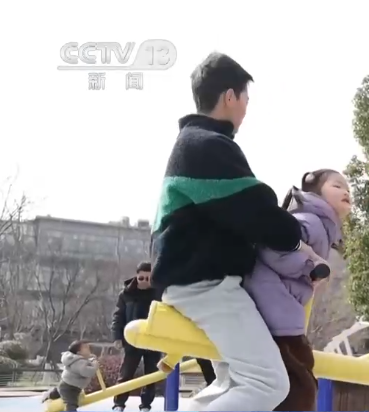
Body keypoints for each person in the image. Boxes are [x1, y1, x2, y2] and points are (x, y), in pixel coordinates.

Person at [150, 52, 318, 411]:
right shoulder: (206, 146)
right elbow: (257, 213)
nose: (245, 109)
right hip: (204, 285)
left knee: (232, 383)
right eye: (245, 99)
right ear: (230, 96)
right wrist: (299, 241)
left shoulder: (195, 144)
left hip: (196, 281)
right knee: (269, 382)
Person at [244, 169, 352, 411]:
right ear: (317, 194)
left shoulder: (323, 226)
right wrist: (309, 267)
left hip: (279, 311)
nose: (346, 191)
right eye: (337, 186)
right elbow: (274, 245)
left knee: (291, 387)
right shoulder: (310, 221)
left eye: (348, 188)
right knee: (299, 388)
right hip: (274, 312)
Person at [110, 262, 161, 412]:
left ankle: (146, 405)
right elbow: (118, 316)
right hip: (132, 339)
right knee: (126, 373)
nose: (144, 281)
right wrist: (117, 337)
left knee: (151, 375)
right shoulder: (127, 293)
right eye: (141, 278)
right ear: (136, 277)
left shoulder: (159, 293)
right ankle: (119, 403)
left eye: (148, 278)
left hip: (153, 340)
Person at [56, 340, 100, 412]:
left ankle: (51, 393)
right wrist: (95, 365)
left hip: (70, 386)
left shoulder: (79, 360)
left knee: (60, 393)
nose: (89, 348)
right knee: (71, 404)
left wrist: (91, 360)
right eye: (85, 347)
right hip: (69, 388)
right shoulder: (79, 362)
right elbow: (87, 372)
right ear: (79, 353)